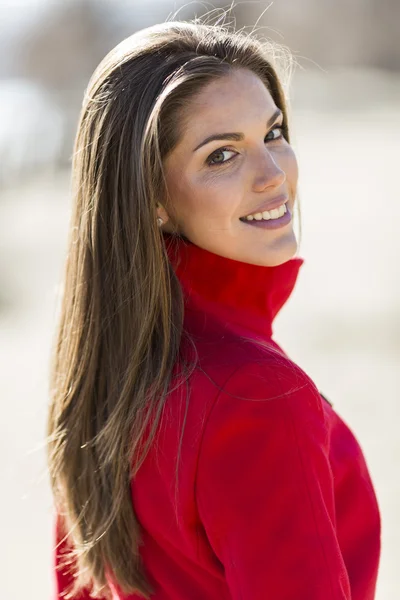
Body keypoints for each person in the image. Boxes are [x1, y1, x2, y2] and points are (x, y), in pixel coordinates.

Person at [47, 18, 381, 600]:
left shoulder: (103, 381)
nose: (273, 175)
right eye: (222, 155)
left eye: (272, 133)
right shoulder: (259, 396)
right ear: (150, 197)